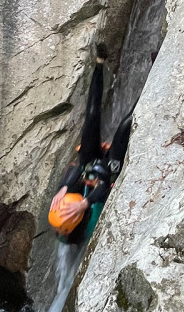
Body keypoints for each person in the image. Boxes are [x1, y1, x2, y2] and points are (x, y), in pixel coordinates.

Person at [48, 44, 133, 245]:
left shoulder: (70, 199)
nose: (67, 205)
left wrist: (63, 188)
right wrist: (85, 203)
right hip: (110, 171)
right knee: (125, 125)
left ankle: (99, 63)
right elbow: (103, 188)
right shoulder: (92, 222)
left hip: (92, 162)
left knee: (92, 117)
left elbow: (76, 169)